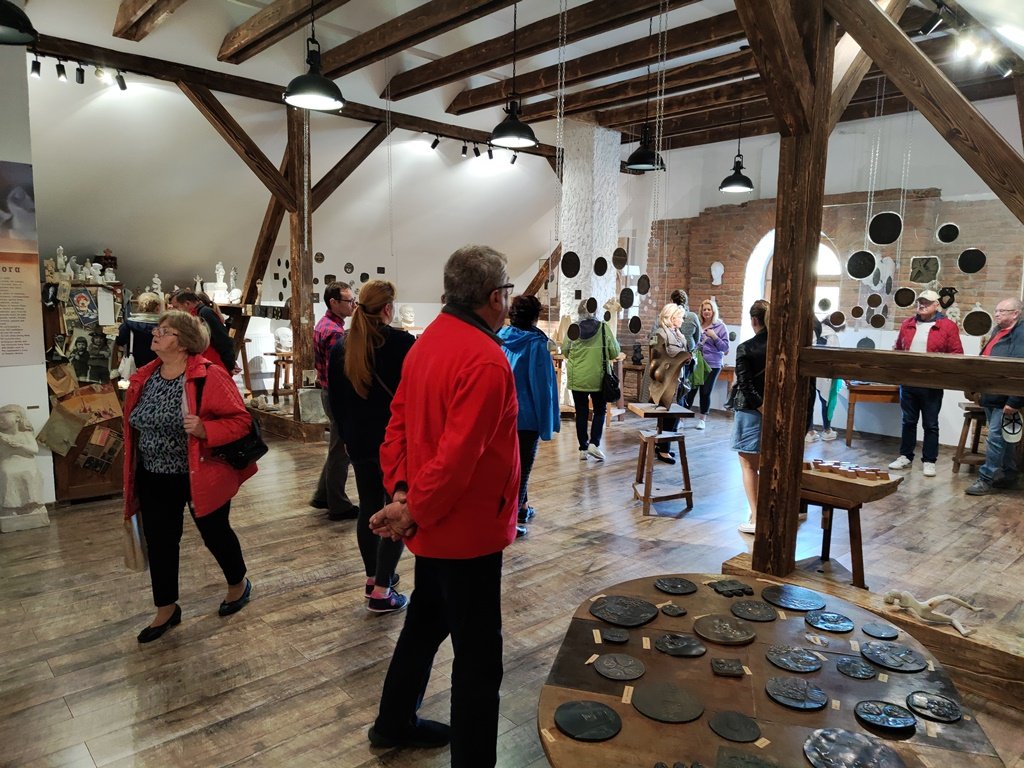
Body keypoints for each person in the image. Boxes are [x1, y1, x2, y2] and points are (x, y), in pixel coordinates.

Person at [367, 245, 520, 767]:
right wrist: (412, 507)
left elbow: (397, 427)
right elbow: (458, 458)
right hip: (465, 530)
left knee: (426, 622)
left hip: (432, 522)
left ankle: (394, 721)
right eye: (507, 291)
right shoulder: (486, 359)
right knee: (479, 659)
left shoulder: (428, 341)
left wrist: (402, 493)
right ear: (495, 297)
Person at [122, 310, 256, 643]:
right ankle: (166, 608)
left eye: (164, 331)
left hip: (199, 474)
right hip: (153, 475)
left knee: (214, 533)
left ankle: (238, 583)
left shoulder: (208, 375)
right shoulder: (145, 376)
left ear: (183, 342)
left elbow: (241, 421)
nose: (155, 334)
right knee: (161, 542)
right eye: (157, 329)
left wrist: (206, 429)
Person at [327, 280, 414, 613]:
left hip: (359, 442)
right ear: (388, 308)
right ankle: (382, 590)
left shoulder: (341, 347)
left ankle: (372, 578)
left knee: (368, 507)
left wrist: (348, 439)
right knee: (395, 508)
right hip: (395, 443)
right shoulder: (403, 344)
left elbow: (335, 404)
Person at [498, 294, 559, 533]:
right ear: (535, 317)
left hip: (502, 415)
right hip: (527, 416)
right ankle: (512, 521)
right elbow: (542, 386)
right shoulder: (536, 343)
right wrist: (547, 421)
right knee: (522, 468)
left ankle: (522, 508)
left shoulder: (501, 338)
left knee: (508, 466)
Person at [889, 289, 963, 477]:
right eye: (920, 302)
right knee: (908, 421)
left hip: (932, 383)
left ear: (936, 305)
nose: (922, 305)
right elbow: (898, 349)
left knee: (930, 424)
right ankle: (905, 456)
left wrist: (942, 374)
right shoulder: (907, 324)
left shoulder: (947, 326)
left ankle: (929, 461)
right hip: (908, 381)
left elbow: (956, 354)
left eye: (927, 302)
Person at [965, 297, 1024, 496]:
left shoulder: (1021, 333)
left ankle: (986, 479)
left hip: (1005, 397)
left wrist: (1014, 400)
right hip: (992, 394)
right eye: (996, 310)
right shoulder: (998, 330)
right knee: (1004, 438)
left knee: (995, 438)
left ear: (1015, 313)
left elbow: (1019, 369)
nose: (996, 314)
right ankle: (1009, 475)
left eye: (1002, 311)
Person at [311, 282, 358, 520]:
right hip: (335, 395)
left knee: (337, 448)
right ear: (334, 302)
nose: (353, 305)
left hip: (327, 392)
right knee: (341, 451)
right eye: (349, 301)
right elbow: (339, 374)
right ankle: (338, 505)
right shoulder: (335, 333)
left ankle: (323, 495)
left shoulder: (325, 324)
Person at [562, 304, 621, 461]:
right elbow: (614, 352)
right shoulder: (604, 328)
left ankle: (583, 448)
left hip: (578, 377)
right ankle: (594, 443)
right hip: (598, 377)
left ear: (579, 312)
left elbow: (565, 351)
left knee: (581, 412)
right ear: (595, 311)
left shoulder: (573, 329)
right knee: (600, 411)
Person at [733, 299, 769, 534]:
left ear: (754, 320)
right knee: (767, 463)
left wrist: (761, 407)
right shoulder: (781, 345)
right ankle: (765, 512)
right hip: (775, 410)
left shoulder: (746, 348)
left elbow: (746, 385)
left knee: (748, 465)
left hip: (751, 411)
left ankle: (756, 517)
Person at [648, 303, 692, 463]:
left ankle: (662, 445)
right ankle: (664, 450)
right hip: (666, 383)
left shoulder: (679, 334)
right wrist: (680, 358)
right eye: (680, 317)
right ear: (672, 318)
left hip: (679, 381)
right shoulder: (660, 334)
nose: (682, 320)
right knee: (669, 416)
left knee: (675, 415)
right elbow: (656, 359)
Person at [684, 298, 729, 430]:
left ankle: (702, 419)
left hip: (712, 365)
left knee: (705, 391)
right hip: (696, 363)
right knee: (690, 391)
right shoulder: (698, 324)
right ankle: (681, 418)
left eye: (709, 309)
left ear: (713, 311)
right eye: (704, 309)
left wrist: (714, 336)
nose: (707, 311)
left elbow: (725, 348)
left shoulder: (720, 326)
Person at [169, 289, 236, 372]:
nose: (175, 310)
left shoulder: (205, 313)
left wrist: (230, 364)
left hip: (213, 363)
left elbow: (222, 339)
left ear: (187, 303)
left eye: (176, 307)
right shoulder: (195, 314)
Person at [805, 317, 839, 443]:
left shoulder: (810, 330)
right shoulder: (831, 334)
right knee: (826, 402)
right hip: (825, 373)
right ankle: (827, 430)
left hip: (809, 371)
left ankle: (809, 431)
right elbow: (836, 355)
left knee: (809, 401)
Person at [115, 291, 162, 371]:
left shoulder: (130, 323)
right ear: (157, 306)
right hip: (159, 361)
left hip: (135, 362)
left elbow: (120, 341)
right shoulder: (164, 324)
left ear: (140, 306)